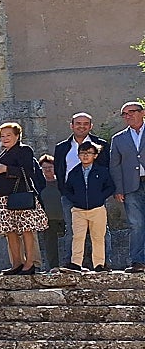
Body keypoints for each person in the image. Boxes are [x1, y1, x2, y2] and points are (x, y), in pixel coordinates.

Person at [54, 112, 111, 269]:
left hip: (96, 197)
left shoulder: (101, 145)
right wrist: (65, 192)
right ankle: (71, 263)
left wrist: (101, 195)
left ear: (91, 126)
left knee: (100, 232)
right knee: (72, 230)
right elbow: (59, 171)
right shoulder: (62, 147)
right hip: (70, 197)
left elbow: (107, 171)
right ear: (71, 125)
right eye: (78, 123)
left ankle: (103, 263)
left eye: (86, 123)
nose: (82, 126)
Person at [0, 122, 49, 275]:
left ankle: (29, 263)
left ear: (17, 136)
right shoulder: (3, 152)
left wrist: (6, 169)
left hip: (20, 196)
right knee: (9, 230)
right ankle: (17, 262)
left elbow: (29, 172)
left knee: (26, 229)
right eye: (2, 136)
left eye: (8, 135)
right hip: (3, 197)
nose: (5, 138)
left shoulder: (24, 150)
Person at [61, 142, 116, 272]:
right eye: (82, 153)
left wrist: (100, 198)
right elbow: (67, 189)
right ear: (78, 155)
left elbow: (110, 187)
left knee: (98, 237)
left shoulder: (102, 171)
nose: (85, 156)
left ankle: (99, 264)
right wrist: (75, 200)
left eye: (89, 153)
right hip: (78, 210)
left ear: (95, 155)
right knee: (78, 236)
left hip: (97, 209)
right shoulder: (74, 172)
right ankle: (76, 263)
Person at [110, 101, 145, 272]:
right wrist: (118, 189)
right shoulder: (118, 139)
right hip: (131, 187)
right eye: (124, 114)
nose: (128, 116)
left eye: (131, 112)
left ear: (142, 112)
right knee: (136, 224)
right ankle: (138, 261)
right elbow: (115, 166)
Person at [38, 156, 67, 270]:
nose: (47, 170)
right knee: (50, 245)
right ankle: (53, 267)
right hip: (48, 219)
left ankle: (69, 265)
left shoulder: (62, 183)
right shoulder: (39, 185)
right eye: (44, 168)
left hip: (64, 217)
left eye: (50, 167)